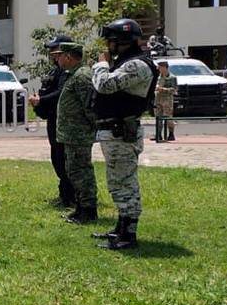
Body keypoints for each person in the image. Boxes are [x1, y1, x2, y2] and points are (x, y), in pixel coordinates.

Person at [91, 18, 156, 250]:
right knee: (117, 181)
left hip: (121, 132)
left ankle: (129, 235)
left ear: (121, 41)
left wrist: (100, 65)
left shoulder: (137, 65)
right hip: (114, 131)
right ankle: (120, 227)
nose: (108, 46)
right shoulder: (127, 62)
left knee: (124, 182)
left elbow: (105, 85)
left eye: (110, 41)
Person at [53, 43, 98, 224]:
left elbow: (90, 107)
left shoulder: (82, 77)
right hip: (72, 135)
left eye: (60, 55)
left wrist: (90, 128)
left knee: (82, 172)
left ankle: (88, 210)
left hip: (79, 135)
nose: (58, 59)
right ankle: (80, 208)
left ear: (69, 57)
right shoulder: (74, 75)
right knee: (74, 172)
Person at [30, 34, 76, 208]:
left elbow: (61, 94)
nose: (52, 54)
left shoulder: (69, 72)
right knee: (57, 158)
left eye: (56, 51)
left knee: (64, 158)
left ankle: (70, 196)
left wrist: (41, 100)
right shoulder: (56, 70)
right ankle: (65, 194)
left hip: (64, 121)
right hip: (53, 120)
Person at [154, 61, 177, 142]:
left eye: (160, 67)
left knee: (168, 117)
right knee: (158, 117)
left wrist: (163, 89)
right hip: (158, 99)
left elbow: (174, 90)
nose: (158, 69)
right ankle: (158, 134)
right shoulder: (158, 77)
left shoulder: (172, 77)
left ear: (164, 67)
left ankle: (171, 133)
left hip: (167, 100)